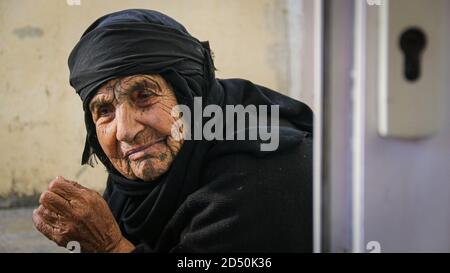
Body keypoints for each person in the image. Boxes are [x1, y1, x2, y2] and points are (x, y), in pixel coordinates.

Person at [32, 9, 313, 253]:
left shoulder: (259, 175)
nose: (125, 131)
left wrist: (109, 246)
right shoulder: (132, 179)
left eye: (143, 96)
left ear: (188, 94)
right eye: (104, 111)